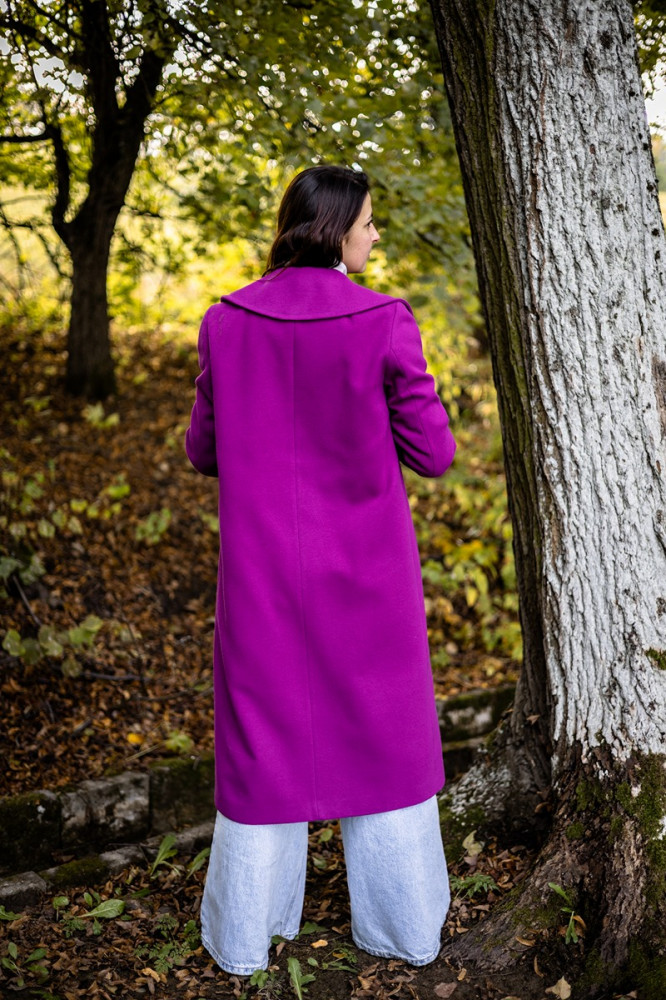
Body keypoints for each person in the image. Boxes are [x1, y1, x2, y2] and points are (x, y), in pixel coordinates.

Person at [185, 164, 457, 976]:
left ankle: (247, 935)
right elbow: (434, 453)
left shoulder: (226, 321)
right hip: (369, 579)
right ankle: (405, 927)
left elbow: (202, 449)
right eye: (369, 221)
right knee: (385, 737)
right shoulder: (383, 321)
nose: (375, 234)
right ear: (336, 229)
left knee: (263, 740)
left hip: (262, 578)